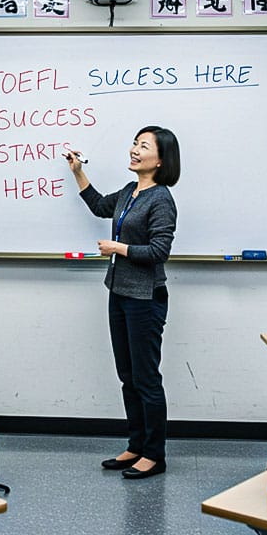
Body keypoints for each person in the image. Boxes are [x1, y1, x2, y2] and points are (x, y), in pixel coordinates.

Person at [64, 126, 180, 480]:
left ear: (160, 160)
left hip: (146, 297)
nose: (134, 150)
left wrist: (119, 248)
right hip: (119, 292)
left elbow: (160, 251)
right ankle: (136, 445)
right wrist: (78, 172)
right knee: (127, 376)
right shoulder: (131, 192)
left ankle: (154, 455)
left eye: (143, 146)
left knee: (146, 378)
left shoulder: (161, 199)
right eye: (134, 143)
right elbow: (100, 206)